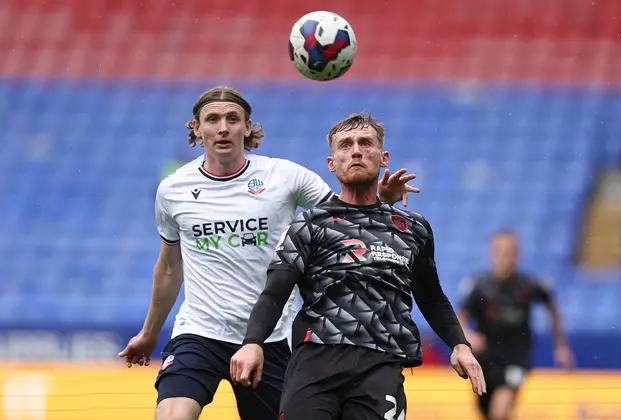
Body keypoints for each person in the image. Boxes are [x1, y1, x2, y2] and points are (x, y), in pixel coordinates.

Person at [117, 87, 418, 420]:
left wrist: (382, 201)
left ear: (247, 127)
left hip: (270, 336)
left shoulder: (285, 177)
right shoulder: (173, 190)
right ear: (196, 129)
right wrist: (149, 332)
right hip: (200, 331)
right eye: (213, 119)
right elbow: (170, 268)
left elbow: (345, 219)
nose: (223, 128)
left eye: (233, 119)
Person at [230, 112, 486, 420]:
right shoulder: (310, 223)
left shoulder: (412, 228)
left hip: (381, 367)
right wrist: (252, 343)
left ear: (383, 157)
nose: (356, 151)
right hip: (316, 360)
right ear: (331, 162)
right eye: (345, 145)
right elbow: (275, 292)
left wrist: (460, 345)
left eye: (365, 143)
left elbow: (431, 297)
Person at [457, 230, 575, 420]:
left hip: (517, 357)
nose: (505, 257)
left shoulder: (528, 285)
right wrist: (468, 336)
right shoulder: (479, 286)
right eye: (500, 252)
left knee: (500, 410)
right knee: (487, 412)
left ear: (518, 255)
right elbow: (460, 316)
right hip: (486, 358)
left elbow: (552, 307)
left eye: (510, 252)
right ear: (491, 254)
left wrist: (561, 346)